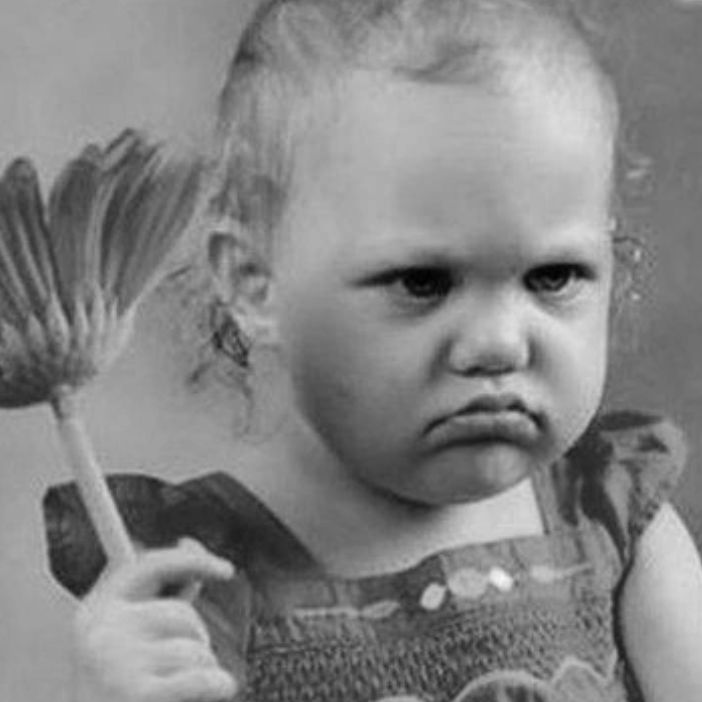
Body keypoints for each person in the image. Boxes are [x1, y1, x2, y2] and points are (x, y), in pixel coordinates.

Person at [42, 0, 702, 700]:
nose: (498, 344)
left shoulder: (615, 526)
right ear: (256, 282)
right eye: (422, 282)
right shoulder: (195, 586)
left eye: (554, 276)